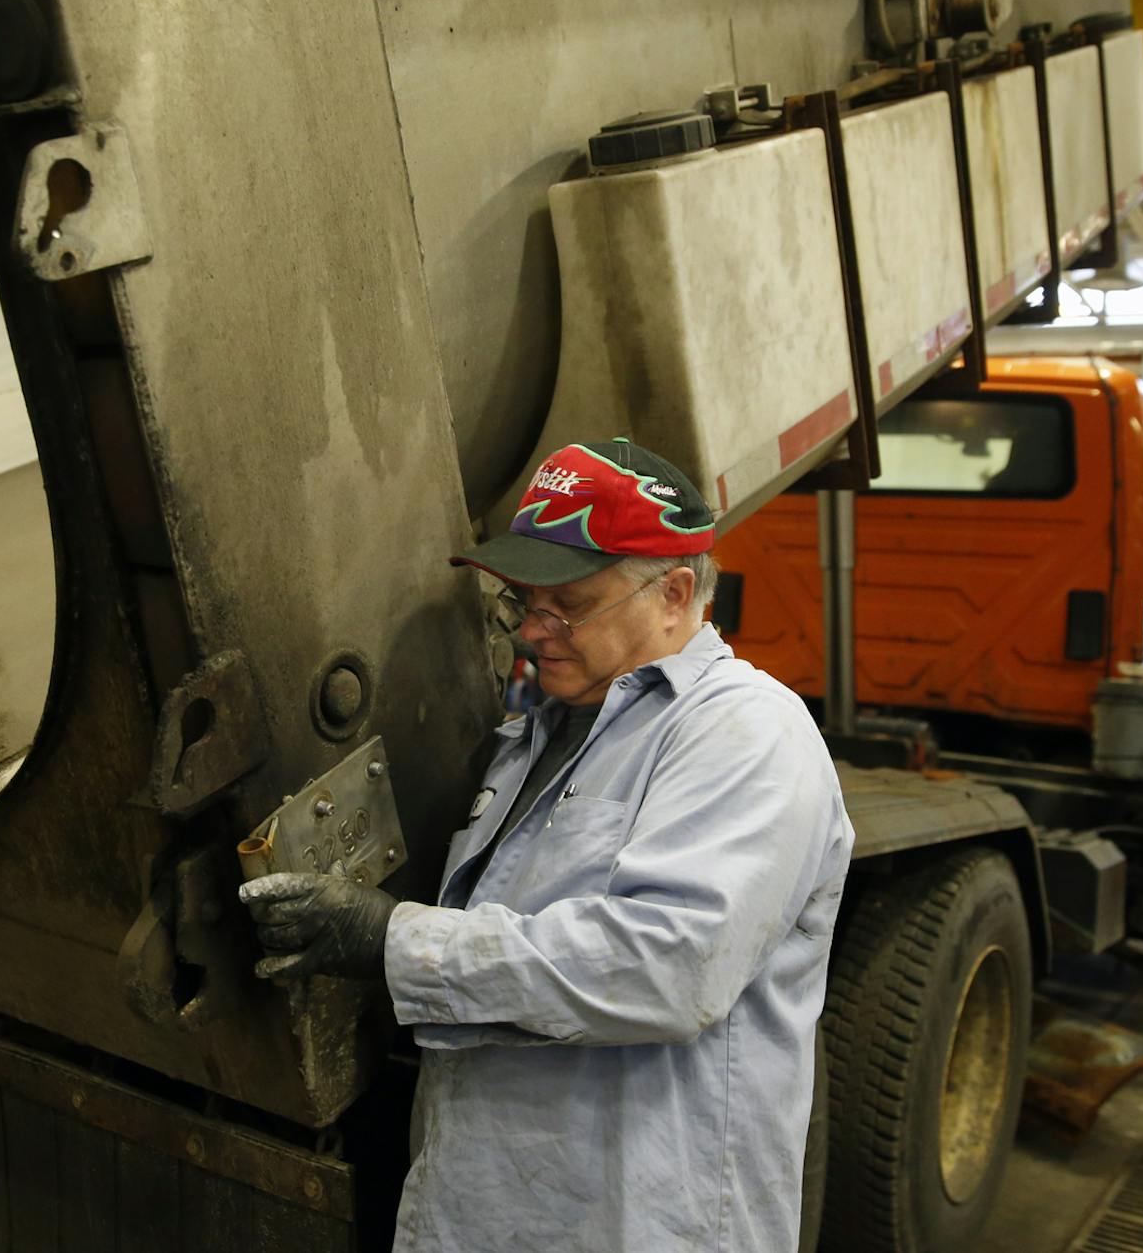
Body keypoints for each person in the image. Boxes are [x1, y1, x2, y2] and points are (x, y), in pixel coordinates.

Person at [240, 438, 853, 1252]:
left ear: (674, 594)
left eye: (568, 605)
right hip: (490, 1211)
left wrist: (394, 942)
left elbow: (666, 966)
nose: (534, 631)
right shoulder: (537, 735)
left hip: (638, 1224)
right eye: (523, 601)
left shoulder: (744, 731)